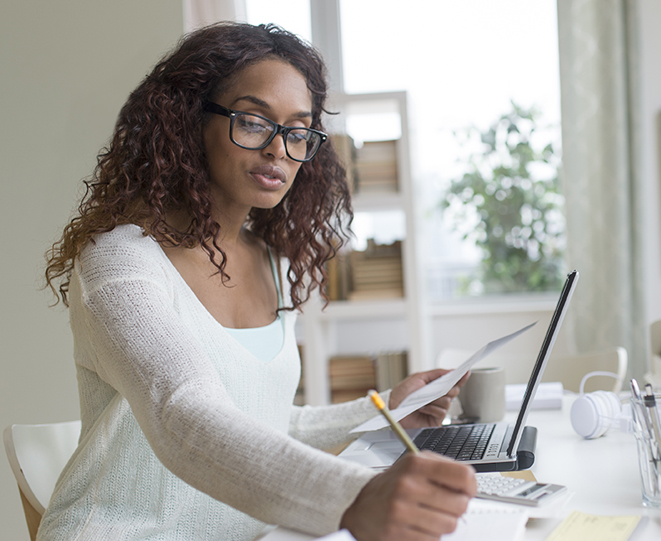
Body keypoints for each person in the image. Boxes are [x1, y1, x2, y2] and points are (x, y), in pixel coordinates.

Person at [41, 22, 476, 541]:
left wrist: (388, 411)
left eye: (297, 132)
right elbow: (183, 416)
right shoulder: (119, 263)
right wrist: (353, 497)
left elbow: (267, 425)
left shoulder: (271, 261)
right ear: (189, 122)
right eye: (253, 121)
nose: (278, 150)